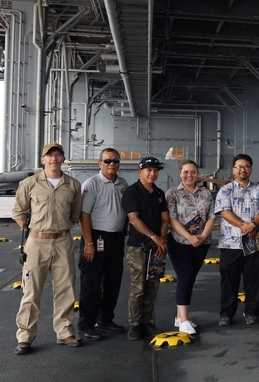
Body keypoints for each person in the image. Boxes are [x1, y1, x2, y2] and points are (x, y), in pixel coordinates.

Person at [12, 142, 83, 355]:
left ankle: (64, 332)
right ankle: (25, 337)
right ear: (43, 160)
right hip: (36, 242)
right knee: (31, 290)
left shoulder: (73, 185)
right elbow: (19, 212)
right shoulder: (29, 184)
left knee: (65, 288)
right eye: (49, 156)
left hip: (63, 241)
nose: (54, 159)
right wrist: (36, 230)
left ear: (63, 159)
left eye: (58, 155)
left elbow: (75, 214)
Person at [77, 147, 129, 340]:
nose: (111, 164)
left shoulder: (122, 183)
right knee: (91, 283)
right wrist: (89, 243)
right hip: (95, 238)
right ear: (100, 163)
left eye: (115, 161)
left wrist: (124, 229)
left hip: (115, 239)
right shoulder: (92, 184)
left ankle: (106, 320)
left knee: (113, 282)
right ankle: (86, 325)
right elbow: (84, 215)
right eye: (107, 161)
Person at [214, 154, 259, 326]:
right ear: (233, 170)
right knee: (229, 280)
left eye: (246, 166)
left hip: (255, 243)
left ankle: (252, 312)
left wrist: (253, 224)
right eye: (239, 166)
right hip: (230, 243)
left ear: (251, 169)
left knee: (254, 280)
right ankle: (226, 314)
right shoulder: (226, 190)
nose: (242, 169)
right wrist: (243, 226)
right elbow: (224, 211)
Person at [122, 156, 170, 341]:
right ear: (140, 172)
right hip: (138, 248)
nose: (153, 173)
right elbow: (133, 219)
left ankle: (147, 321)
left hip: (157, 248)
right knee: (138, 287)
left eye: (156, 170)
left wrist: (162, 240)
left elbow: (165, 219)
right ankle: (135, 324)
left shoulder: (159, 193)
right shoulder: (131, 192)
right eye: (149, 170)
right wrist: (154, 237)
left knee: (153, 286)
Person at [166, 160, 215, 335]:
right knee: (185, 278)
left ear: (197, 173)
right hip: (180, 241)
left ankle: (180, 316)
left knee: (190, 278)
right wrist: (190, 237)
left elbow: (211, 216)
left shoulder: (205, 193)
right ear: (180, 173)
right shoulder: (172, 193)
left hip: (202, 242)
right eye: (186, 172)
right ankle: (184, 320)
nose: (189, 175)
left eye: (193, 172)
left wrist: (202, 236)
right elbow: (172, 219)